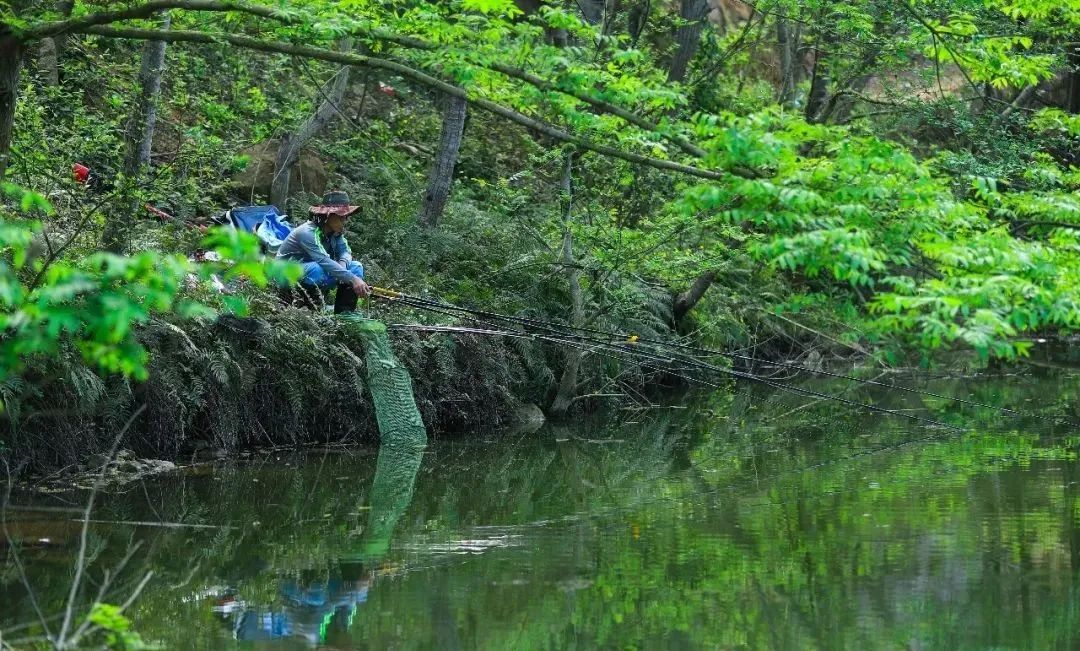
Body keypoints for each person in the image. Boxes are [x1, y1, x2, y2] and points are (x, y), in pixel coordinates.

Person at [276, 190, 371, 313]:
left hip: (314, 272)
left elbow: (346, 252)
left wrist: (343, 266)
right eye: (341, 218)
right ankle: (311, 309)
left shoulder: (335, 233)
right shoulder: (307, 232)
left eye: (346, 217)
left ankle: (345, 313)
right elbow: (323, 260)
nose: (345, 222)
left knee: (356, 267)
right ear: (328, 216)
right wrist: (352, 279)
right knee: (318, 269)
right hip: (287, 274)